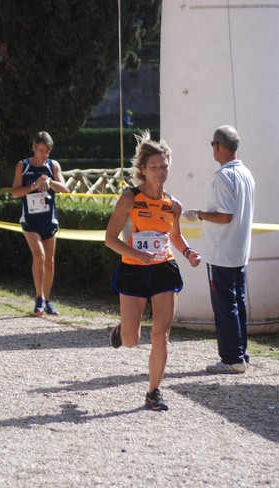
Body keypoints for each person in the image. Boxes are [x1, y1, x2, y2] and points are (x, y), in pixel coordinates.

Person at [105, 130, 201, 411]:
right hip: (133, 270)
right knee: (132, 340)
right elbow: (110, 239)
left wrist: (188, 252)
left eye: (164, 166)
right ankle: (123, 329)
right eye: (154, 167)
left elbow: (175, 237)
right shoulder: (130, 198)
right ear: (143, 170)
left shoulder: (173, 205)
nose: (160, 171)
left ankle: (153, 392)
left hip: (164, 270)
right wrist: (136, 253)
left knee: (161, 335)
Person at [183, 125, 255, 374]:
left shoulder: (224, 176)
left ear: (218, 146)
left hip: (222, 252)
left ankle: (232, 358)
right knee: (238, 303)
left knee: (225, 306)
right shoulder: (246, 173)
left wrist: (198, 214)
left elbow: (225, 216)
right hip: (238, 251)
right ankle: (241, 354)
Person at [12, 131, 68, 316]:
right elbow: (14, 193)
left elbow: (64, 188)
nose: (45, 154)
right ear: (34, 148)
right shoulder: (23, 165)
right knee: (39, 257)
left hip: (48, 220)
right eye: (41, 150)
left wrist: (49, 181)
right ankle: (39, 298)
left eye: (47, 151)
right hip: (30, 220)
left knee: (50, 262)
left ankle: (48, 300)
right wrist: (33, 186)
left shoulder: (53, 165)